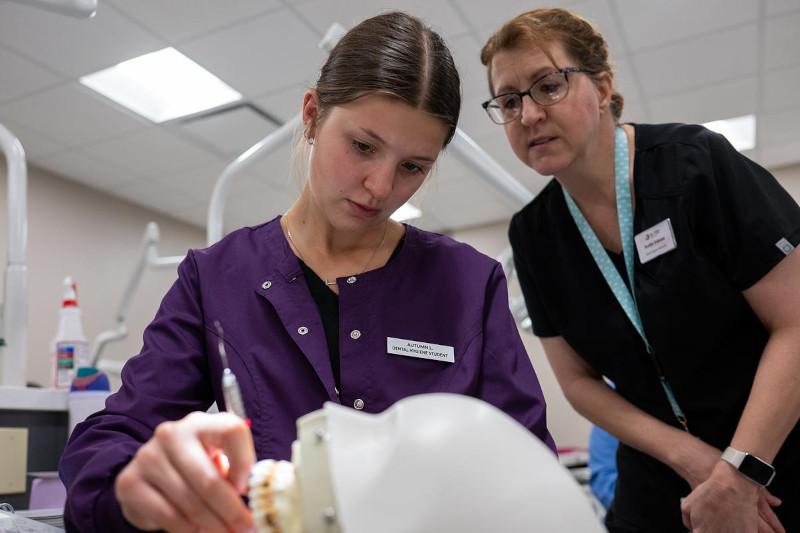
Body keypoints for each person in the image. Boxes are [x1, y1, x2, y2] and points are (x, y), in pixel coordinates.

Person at [58, 11, 555, 533]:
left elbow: (528, 466)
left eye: (413, 167)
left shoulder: (469, 284)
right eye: (363, 147)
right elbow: (111, 438)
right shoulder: (217, 278)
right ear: (313, 114)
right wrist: (135, 482)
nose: (380, 187)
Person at [480, 8, 800, 533]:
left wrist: (739, 469)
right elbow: (578, 382)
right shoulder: (533, 235)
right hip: (661, 471)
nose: (529, 114)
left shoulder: (694, 163)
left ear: (602, 87)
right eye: (509, 100)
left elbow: (795, 322)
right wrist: (690, 457)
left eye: (548, 86)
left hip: (774, 450)